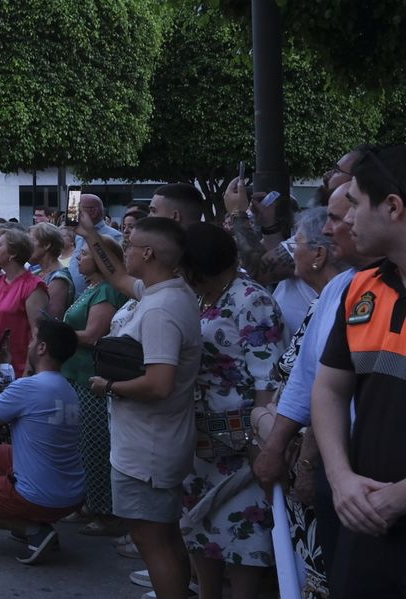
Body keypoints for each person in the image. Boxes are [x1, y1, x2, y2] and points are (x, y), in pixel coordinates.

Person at [84, 217, 202, 599]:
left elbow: (159, 383)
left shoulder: (160, 309)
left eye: (130, 245)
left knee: (152, 540)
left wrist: (109, 386)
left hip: (148, 449)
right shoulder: (164, 291)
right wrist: (89, 234)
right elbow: (118, 276)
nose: (125, 250)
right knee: (162, 536)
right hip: (152, 443)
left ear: (148, 253)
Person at [311, 145, 406, 599]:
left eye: (354, 204)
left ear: (393, 207)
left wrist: (400, 497)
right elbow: (330, 388)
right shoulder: (362, 288)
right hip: (366, 522)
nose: (346, 220)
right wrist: (340, 478)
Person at [252, 203, 357, 599]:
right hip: (314, 459)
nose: (289, 252)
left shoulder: (347, 291)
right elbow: (305, 382)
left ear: (319, 255)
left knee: (329, 572)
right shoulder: (331, 293)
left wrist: (308, 462)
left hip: (331, 461)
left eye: (294, 243)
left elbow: (322, 390)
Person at [174, 223, 284, 598]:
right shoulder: (200, 298)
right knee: (199, 527)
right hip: (199, 437)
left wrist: (262, 443)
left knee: (243, 536)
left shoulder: (252, 300)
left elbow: (268, 377)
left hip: (241, 441)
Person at [0, 318, 86, 564]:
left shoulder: (30, 388)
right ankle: (33, 518)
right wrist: (5, 366)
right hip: (73, 495)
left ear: (42, 348)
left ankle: (34, 529)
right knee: (0, 452)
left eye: (32, 340)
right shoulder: (67, 388)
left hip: (44, 497)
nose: (28, 344)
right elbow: (22, 397)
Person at [60, 232, 129, 537]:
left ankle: (106, 511)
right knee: (82, 445)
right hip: (77, 375)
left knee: (96, 445)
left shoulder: (107, 291)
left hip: (92, 377)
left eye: (86, 253)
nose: (78, 257)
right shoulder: (92, 287)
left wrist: (57, 333)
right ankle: (88, 502)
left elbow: (92, 336)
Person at [0, 228, 47, 372]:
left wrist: (27, 372)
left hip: (17, 368)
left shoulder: (33, 286)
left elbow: (37, 334)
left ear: (13, 253)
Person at [67, 192, 123, 296]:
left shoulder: (115, 236)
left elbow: (115, 270)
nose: (73, 213)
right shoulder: (79, 234)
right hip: (76, 296)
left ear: (94, 212)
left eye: (78, 209)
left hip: (99, 296)